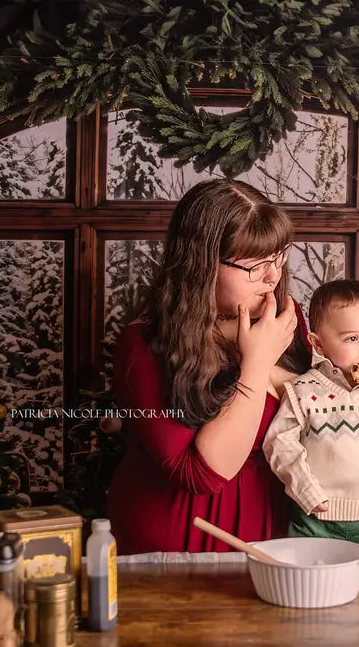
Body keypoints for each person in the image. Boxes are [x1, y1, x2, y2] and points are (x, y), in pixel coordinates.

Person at [107, 179, 313, 554]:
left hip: (274, 538)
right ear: (202, 264)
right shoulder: (143, 344)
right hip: (177, 542)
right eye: (256, 265)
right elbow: (200, 473)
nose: (273, 276)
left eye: (279, 257)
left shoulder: (284, 317)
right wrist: (256, 365)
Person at [263, 280, 359, 553]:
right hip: (316, 520)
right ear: (319, 344)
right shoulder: (302, 391)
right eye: (352, 338)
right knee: (311, 587)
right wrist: (305, 490)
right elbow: (279, 443)